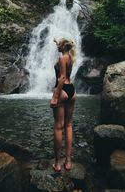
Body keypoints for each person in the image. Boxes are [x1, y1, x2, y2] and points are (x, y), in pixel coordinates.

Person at [50, 38, 77, 172]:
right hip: (72, 90)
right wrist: (58, 42)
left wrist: (55, 96)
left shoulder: (62, 59)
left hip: (62, 91)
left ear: (63, 46)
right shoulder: (70, 57)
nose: (57, 46)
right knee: (69, 125)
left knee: (58, 127)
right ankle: (68, 161)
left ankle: (57, 163)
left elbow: (61, 78)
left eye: (58, 44)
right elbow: (66, 76)